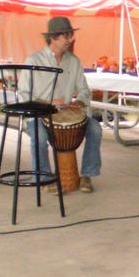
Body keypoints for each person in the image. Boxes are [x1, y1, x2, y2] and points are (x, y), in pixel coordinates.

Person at [19, 16, 102, 193]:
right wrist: (48, 102)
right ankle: (44, 178)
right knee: (39, 137)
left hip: (66, 113)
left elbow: (84, 89)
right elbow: (24, 94)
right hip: (39, 114)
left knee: (95, 128)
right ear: (53, 37)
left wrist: (79, 101)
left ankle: (87, 174)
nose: (70, 39)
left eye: (71, 35)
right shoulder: (33, 60)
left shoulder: (74, 61)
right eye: (66, 36)